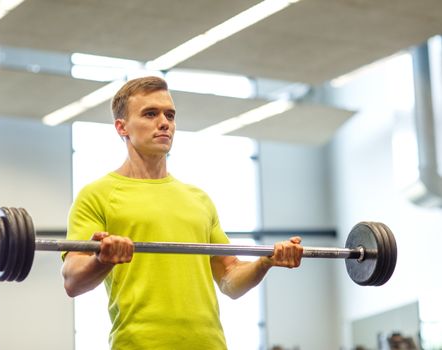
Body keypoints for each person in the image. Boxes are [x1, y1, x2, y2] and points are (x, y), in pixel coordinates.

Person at [61, 76, 303, 350]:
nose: (164, 122)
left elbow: (229, 279)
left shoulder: (198, 199)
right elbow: (72, 280)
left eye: (170, 115)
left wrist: (265, 262)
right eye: (150, 114)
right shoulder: (97, 195)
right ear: (122, 127)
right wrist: (102, 259)